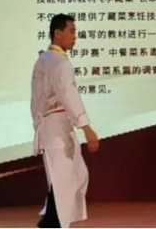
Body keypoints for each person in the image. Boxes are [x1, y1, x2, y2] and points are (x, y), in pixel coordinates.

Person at [30, 14, 99, 228]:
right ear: (57, 33)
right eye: (71, 31)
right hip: (57, 127)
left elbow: (36, 101)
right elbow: (68, 95)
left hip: (52, 126)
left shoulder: (44, 60)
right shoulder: (58, 62)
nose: (74, 36)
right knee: (65, 181)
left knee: (68, 178)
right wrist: (86, 127)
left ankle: (50, 221)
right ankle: (52, 222)